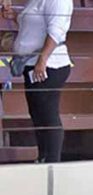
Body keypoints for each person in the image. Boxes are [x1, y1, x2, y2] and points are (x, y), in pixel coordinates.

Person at [4, 0, 72, 162]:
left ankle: (52, 160)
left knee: (48, 113)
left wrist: (43, 59)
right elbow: (33, 25)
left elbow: (56, 31)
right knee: (37, 113)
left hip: (49, 65)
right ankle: (43, 156)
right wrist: (15, 17)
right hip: (30, 64)